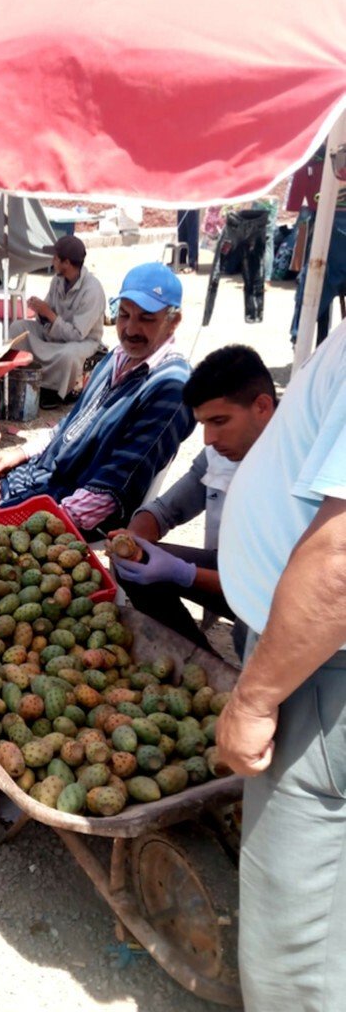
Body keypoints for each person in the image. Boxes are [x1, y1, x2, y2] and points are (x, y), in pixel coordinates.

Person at [216, 319, 346, 1012]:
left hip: (323, 674)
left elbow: (341, 561)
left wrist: (254, 699)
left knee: (295, 945)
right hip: (318, 662)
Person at [0, 262, 196, 536]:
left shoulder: (171, 388)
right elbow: (71, 425)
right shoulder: (116, 358)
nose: (130, 329)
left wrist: (28, 521)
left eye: (146, 319)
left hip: (68, 508)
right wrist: (21, 453)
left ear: (173, 322)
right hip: (39, 479)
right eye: (124, 315)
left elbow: (112, 488)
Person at [109, 345, 276, 653]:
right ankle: (203, 665)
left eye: (220, 421)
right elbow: (163, 511)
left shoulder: (296, 470)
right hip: (230, 573)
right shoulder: (218, 456)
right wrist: (132, 543)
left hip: (276, 596)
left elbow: (271, 587)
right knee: (133, 565)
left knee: (254, 631)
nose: (208, 439)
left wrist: (183, 573)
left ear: (262, 407)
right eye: (204, 424)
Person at [12, 234, 106, 408]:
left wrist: (49, 315)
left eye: (55, 258)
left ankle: (53, 392)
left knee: (68, 355)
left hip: (82, 341)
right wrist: (40, 309)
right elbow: (48, 312)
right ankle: (19, 375)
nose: (52, 262)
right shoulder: (57, 280)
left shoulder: (92, 290)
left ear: (67, 263)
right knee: (18, 328)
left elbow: (77, 334)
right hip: (53, 335)